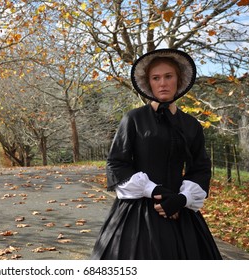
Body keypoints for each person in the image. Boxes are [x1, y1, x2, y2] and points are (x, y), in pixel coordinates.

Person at [91, 48, 222, 260]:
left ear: (178, 81)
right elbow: (116, 164)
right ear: (149, 83)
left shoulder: (191, 125)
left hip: (180, 209)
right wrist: (154, 190)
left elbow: (200, 168)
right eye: (156, 78)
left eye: (168, 76)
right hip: (138, 210)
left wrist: (181, 199)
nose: (163, 83)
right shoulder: (134, 119)